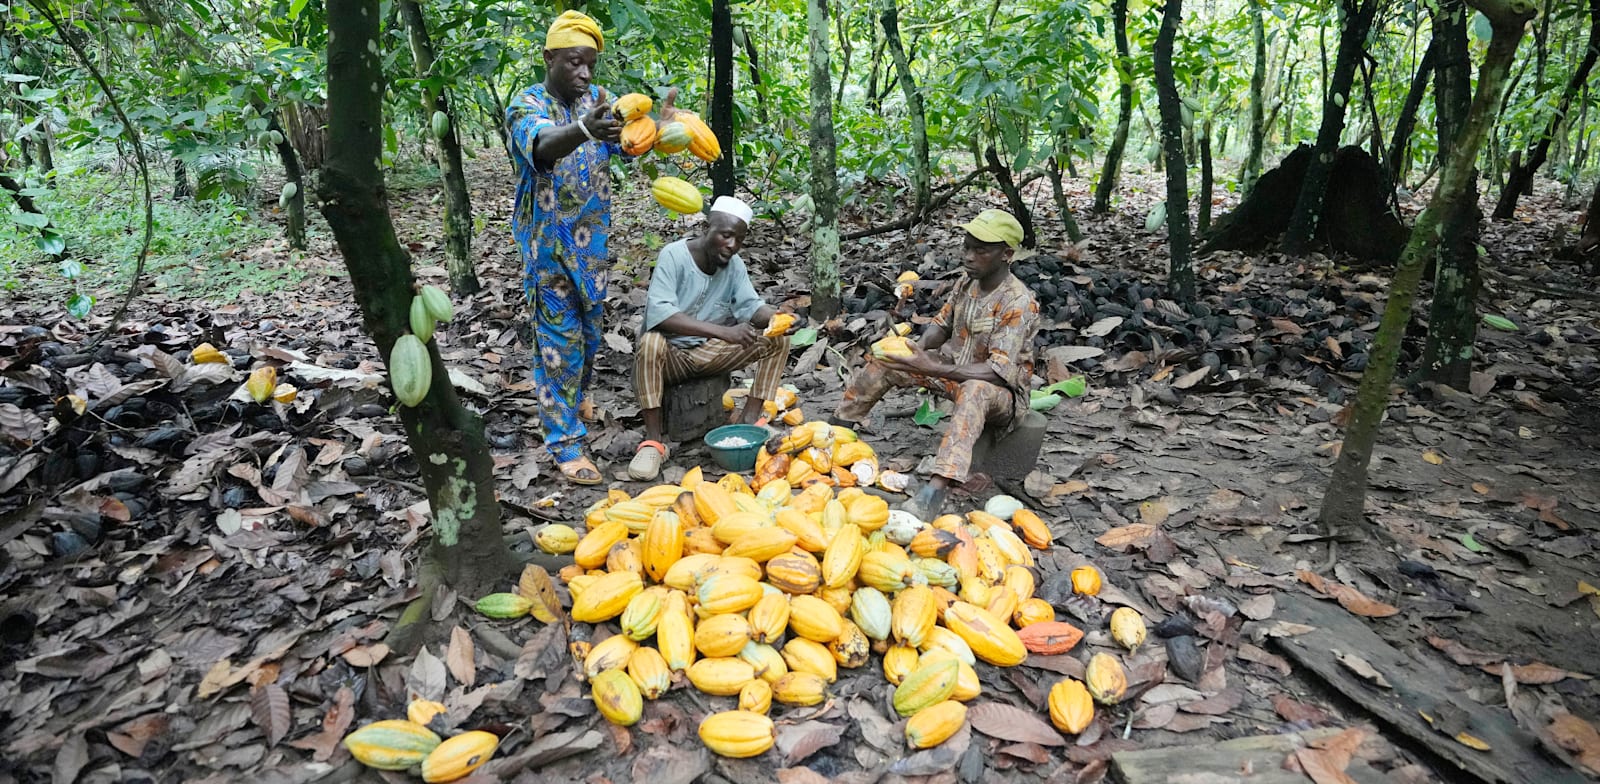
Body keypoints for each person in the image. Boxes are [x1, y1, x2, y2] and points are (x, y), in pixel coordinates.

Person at [829, 209, 1040, 519]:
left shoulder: (1018, 302)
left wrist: (930, 367)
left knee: (975, 390)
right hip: (953, 372)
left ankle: (935, 490)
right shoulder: (966, 283)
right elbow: (940, 326)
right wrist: (916, 348)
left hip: (1000, 396)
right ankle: (834, 434)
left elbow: (997, 372)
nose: (968, 256)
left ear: (1006, 254)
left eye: (980, 250)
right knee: (889, 361)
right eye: (966, 247)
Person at [506, 10, 627, 485]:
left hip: (592, 246)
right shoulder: (526, 104)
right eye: (575, 62)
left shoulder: (598, 101)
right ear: (549, 57)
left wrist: (657, 126)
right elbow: (541, 146)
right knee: (559, 345)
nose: (585, 73)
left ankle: (575, 401)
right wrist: (584, 129)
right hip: (548, 248)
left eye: (591, 64)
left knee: (590, 338)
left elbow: (625, 144)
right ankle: (565, 443)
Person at [630, 196, 793, 481]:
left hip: (708, 354)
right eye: (726, 235)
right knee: (650, 342)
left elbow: (751, 307)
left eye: (739, 239)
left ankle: (750, 420)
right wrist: (723, 332)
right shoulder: (674, 255)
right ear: (707, 228)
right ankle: (654, 442)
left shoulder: (734, 265)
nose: (732, 245)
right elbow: (661, 315)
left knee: (777, 340)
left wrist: (778, 317)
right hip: (670, 357)